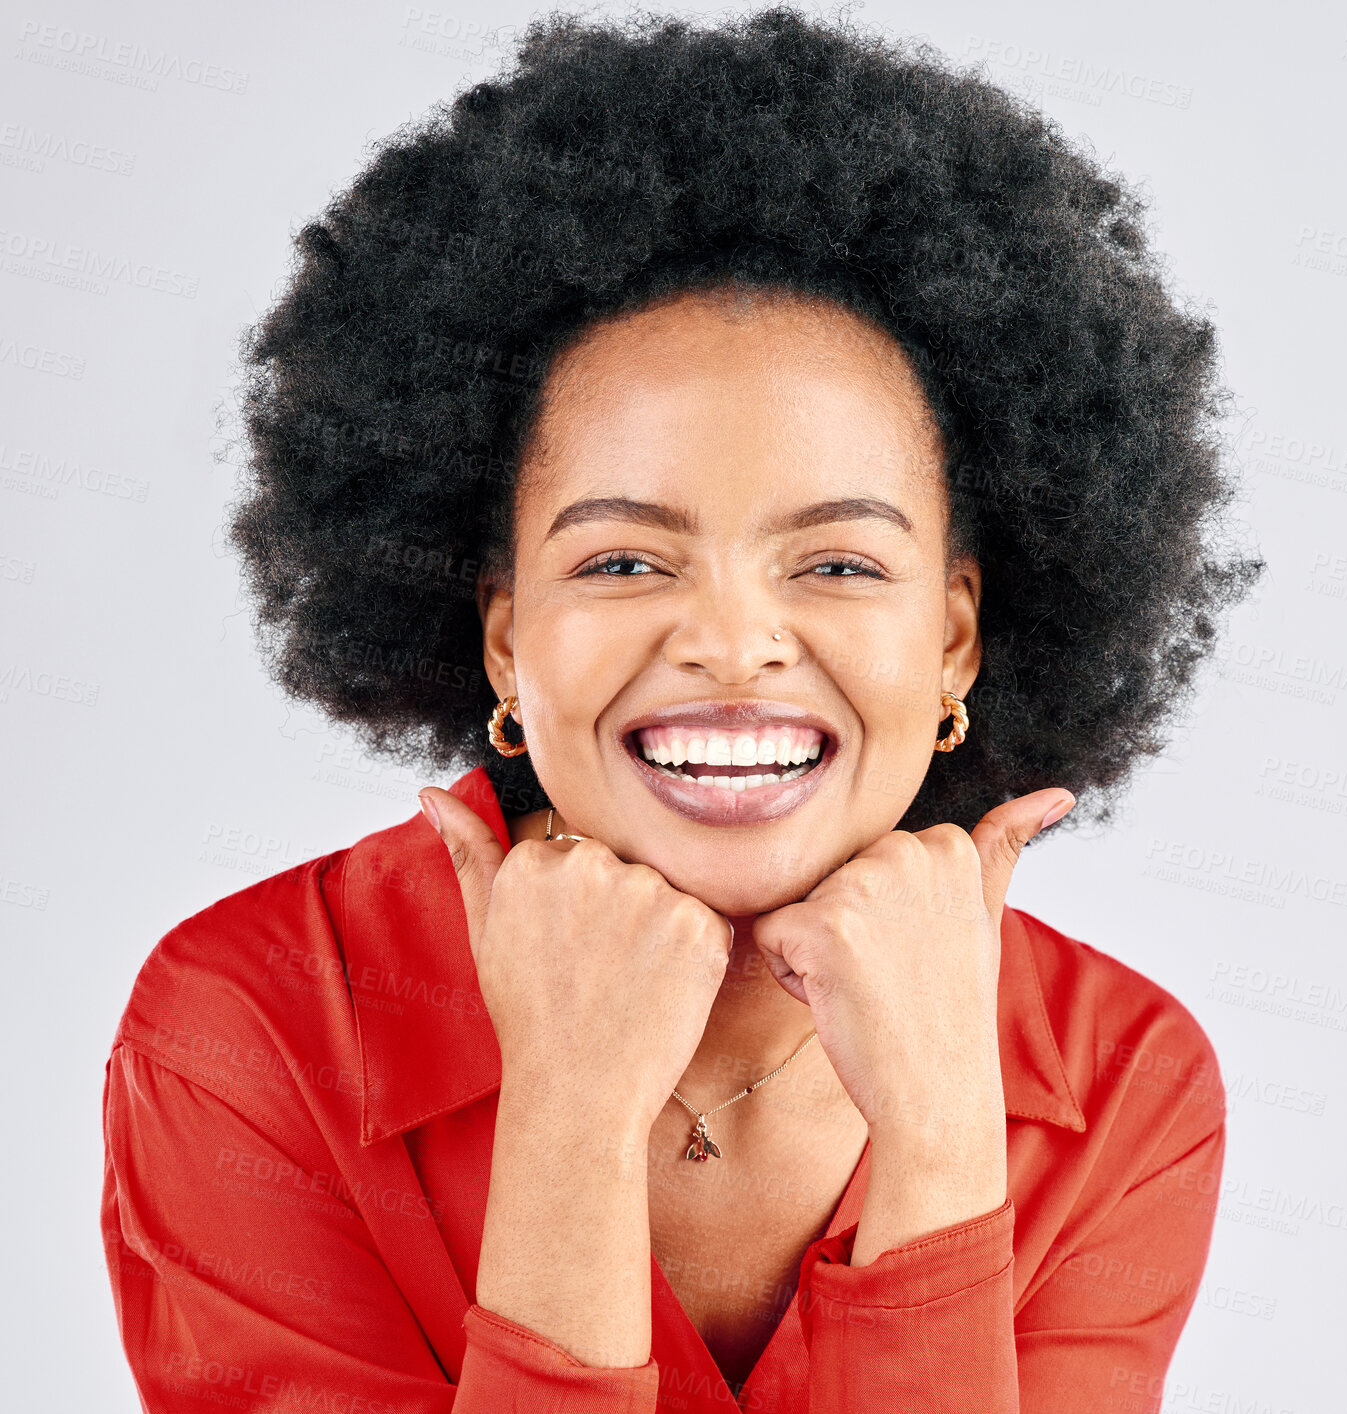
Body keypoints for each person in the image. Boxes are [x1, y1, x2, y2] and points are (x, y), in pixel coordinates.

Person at [101, 8, 1262, 1411]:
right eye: (622, 560)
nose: (728, 643)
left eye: (835, 561)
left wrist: (947, 1143)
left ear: (953, 637)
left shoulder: (1120, 1080)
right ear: (504, 634)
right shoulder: (255, 1024)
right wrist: (570, 1126)